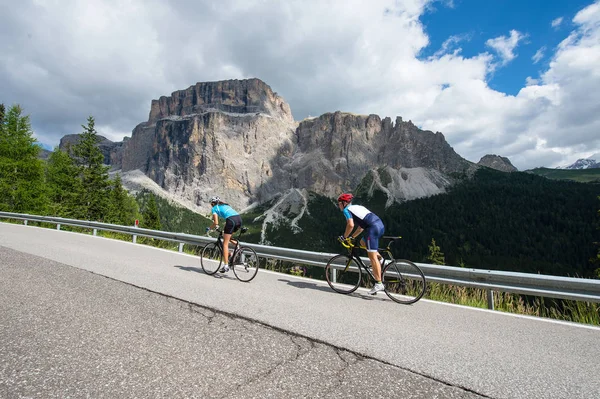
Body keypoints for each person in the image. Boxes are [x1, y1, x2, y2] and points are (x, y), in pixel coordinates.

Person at [337, 193, 386, 295]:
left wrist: (344, 237)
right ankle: (381, 260)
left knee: (371, 256)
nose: (339, 206)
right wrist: (352, 237)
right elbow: (360, 228)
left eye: (339, 204)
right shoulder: (357, 207)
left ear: (344, 203)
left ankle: (378, 283)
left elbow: (350, 225)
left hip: (372, 229)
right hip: (380, 225)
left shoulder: (347, 210)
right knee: (362, 242)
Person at [207, 196, 242, 273]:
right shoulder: (225, 205)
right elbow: (229, 215)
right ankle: (237, 248)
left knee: (225, 244)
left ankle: (226, 266)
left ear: (213, 203)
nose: (211, 205)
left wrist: (209, 228)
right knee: (227, 236)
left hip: (231, 220)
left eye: (211, 204)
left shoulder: (214, 208)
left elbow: (216, 222)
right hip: (239, 219)